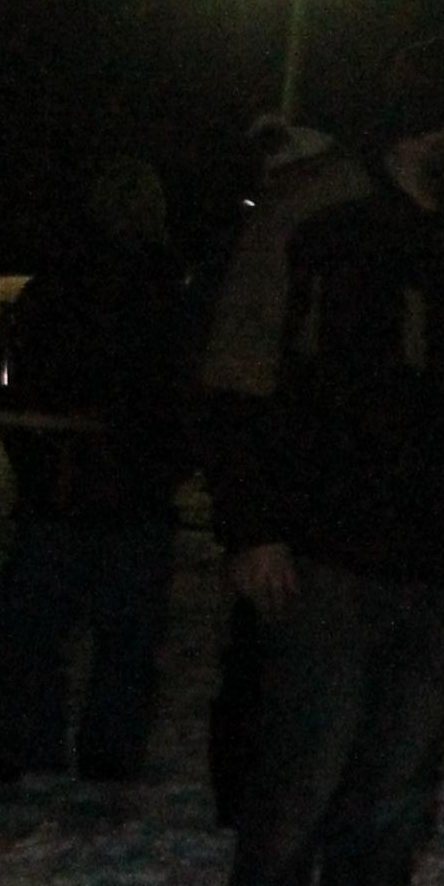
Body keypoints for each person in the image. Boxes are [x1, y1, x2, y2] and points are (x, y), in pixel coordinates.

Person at [207, 38, 444, 886]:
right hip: (327, 558)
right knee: (298, 783)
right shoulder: (317, 226)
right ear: (429, 134)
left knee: (395, 792)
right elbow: (241, 377)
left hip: (436, 568)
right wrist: (254, 526)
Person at [0, 155, 192, 789]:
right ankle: (107, 753)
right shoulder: (167, 291)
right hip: (128, 490)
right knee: (123, 636)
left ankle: (33, 743)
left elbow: (22, 384)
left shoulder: (63, 286)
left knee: (35, 627)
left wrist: (39, 459)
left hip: (68, 486)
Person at [192, 114, 370, 829]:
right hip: (291, 496)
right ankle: (257, 801)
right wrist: (250, 521)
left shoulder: (305, 233)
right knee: (272, 658)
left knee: (286, 660)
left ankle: (265, 799)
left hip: (310, 497)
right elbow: (233, 385)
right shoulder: (269, 237)